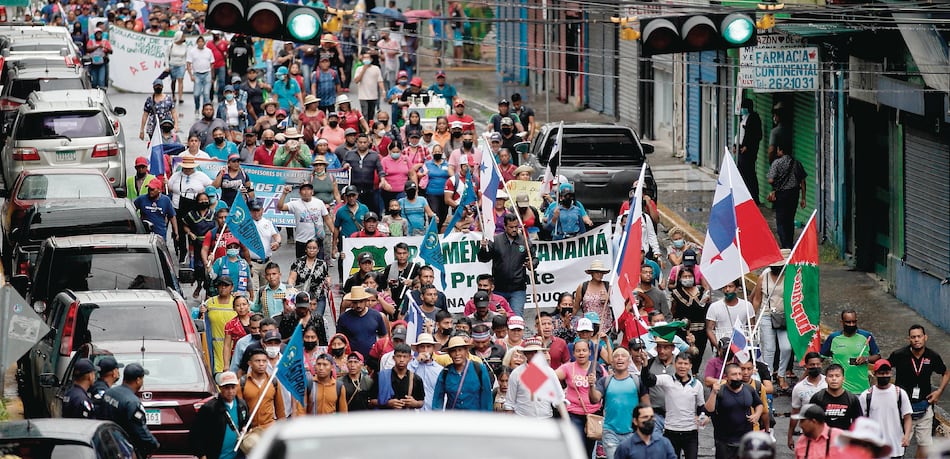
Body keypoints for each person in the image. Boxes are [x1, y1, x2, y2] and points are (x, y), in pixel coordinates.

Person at [888, 324, 949, 458]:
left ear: (925, 337)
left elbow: (946, 373)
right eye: (913, 337)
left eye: (919, 336)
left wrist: (939, 391)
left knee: (924, 445)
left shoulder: (933, 356)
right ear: (909, 339)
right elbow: (884, 370)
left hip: (924, 406)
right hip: (903, 408)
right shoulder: (899, 355)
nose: (916, 340)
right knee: (899, 444)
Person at [589, 348, 648, 459]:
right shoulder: (604, 381)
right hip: (610, 431)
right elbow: (595, 399)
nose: (620, 358)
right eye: (616, 356)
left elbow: (646, 406)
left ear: (629, 361)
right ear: (612, 361)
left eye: (623, 356)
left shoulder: (637, 381)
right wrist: (591, 386)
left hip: (633, 432)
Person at [477, 214, 537, 318]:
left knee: (516, 317)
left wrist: (532, 263)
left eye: (516, 227)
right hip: (498, 289)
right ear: (505, 227)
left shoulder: (524, 241)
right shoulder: (495, 240)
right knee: (497, 318)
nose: (514, 229)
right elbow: (483, 258)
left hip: (518, 289)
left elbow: (534, 258)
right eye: (511, 227)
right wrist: (483, 248)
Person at [753, 249, 794, 391]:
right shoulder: (763, 277)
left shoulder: (791, 276)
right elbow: (757, 299)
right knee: (769, 348)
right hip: (767, 314)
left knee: (786, 347)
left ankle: (781, 374)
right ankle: (767, 376)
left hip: (784, 316)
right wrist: (753, 320)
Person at [556, 338, 604, 456]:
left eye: (584, 350)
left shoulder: (597, 368)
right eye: (578, 351)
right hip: (574, 414)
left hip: (593, 415)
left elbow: (606, 385)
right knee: (577, 446)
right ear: (573, 353)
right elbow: (551, 377)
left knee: (589, 450)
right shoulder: (568, 368)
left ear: (590, 352)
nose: (581, 353)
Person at [705, 363, 763, 459]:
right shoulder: (720, 391)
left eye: (739, 374)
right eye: (734, 374)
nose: (738, 377)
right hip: (725, 441)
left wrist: (757, 414)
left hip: (745, 440)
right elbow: (709, 409)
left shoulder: (749, 389)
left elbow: (759, 404)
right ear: (726, 376)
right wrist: (713, 393)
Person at [100, 364, 160, 457]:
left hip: (106, 445)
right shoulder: (132, 402)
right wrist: (153, 444)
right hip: (123, 449)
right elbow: (139, 430)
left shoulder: (109, 392)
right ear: (138, 380)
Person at [858, 359, 912, 457]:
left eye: (887, 373)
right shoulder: (866, 396)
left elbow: (907, 417)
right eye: (881, 373)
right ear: (875, 374)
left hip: (896, 447)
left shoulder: (900, 393)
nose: (884, 376)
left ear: (891, 373)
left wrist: (907, 436)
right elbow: (861, 420)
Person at [188, 371, 249, 459]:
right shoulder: (209, 408)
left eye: (233, 387)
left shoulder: (242, 405)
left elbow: (247, 424)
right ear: (220, 388)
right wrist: (202, 455)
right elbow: (196, 434)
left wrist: (245, 429)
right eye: (227, 388)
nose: (230, 391)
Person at [820, 309, 881, 394]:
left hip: (861, 389)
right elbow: (820, 359)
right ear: (842, 322)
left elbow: (877, 357)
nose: (851, 325)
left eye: (854, 322)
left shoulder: (866, 336)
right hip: (839, 390)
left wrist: (866, 359)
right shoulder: (833, 338)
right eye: (848, 322)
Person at [432, 336, 493, 411]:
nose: (457, 354)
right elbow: (438, 399)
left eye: (460, 350)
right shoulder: (445, 372)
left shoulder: (479, 369)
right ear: (449, 354)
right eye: (453, 351)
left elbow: (487, 398)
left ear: (466, 351)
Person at [767, 141, 807, 249]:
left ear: (781, 151)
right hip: (794, 194)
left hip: (781, 195)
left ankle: (785, 245)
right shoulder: (796, 163)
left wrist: (776, 186)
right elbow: (802, 181)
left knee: (780, 221)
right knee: (790, 219)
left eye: (778, 149)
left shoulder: (776, 163)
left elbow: (770, 180)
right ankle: (789, 243)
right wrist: (803, 198)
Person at [504, 337, 555, 417]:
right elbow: (509, 402)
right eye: (530, 352)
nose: (534, 355)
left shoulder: (550, 372)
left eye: (537, 352)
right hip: (523, 420)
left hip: (545, 419)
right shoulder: (516, 373)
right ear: (525, 354)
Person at [788, 352, 828, 448]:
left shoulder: (828, 383)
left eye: (818, 364)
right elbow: (795, 411)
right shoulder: (799, 388)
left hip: (827, 433)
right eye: (812, 365)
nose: (815, 367)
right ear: (806, 366)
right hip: (807, 433)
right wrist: (790, 436)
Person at [808, 364, 864, 431]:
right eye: (830, 376)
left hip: (844, 439)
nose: (834, 379)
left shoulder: (852, 399)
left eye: (837, 376)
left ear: (843, 379)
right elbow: (809, 422)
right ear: (825, 379)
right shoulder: (817, 398)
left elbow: (858, 423)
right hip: (822, 439)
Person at [238, 349, 284, 429]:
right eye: (257, 361)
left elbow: (280, 410)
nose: (261, 364)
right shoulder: (242, 382)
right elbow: (238, 409)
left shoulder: (273, 382)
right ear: (250, 363)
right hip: (249, 429)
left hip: (269, 428)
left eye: (264, 361)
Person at [337, 286, 388, 358]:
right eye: (355, 302)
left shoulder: (376, 315)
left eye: (361, 302)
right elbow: (339, 339)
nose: (358, 305)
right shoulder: (344, 318)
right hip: (351, 359)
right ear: (351, 302)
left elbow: (384, 336)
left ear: (365, 301)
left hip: (372, 358)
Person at [370, 343, 425, 410]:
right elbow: (371, 401)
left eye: (405, 356)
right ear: (393, 358)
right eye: (398, 356)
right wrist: (387, 403)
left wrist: (414, 403)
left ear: (410, 358)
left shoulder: (416, 379)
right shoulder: (381, 376)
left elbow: (421, 402)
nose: (401, 360)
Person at [287, 239, 331, 317]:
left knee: (317, 319)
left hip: (318, 298)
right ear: (306, 249)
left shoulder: (322, 264)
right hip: (302, 298)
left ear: (318, 250)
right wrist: (291, 287)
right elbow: (292, 278)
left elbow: (327, 276)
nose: (312, 250)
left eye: (314, 248)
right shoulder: (298, 263)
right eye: (309, 248)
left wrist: (328, 282)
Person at [705, 279, 754, 346]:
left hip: (741, 346)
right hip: (723, 345)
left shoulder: (747, 306)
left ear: (737, 289)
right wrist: (718, 347)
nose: (727, 289)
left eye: (730, 286)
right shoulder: (714, 307)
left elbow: (752, 327)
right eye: (725, 287)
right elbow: (709, 329)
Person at [223, 295, 253, 367]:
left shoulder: (256, 319)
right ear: (234, 308)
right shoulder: (230, 324)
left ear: (248, 305)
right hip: (238, 357)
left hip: (256, 356)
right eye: (238, 305)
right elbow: (227, 345)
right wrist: (226, 365)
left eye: (244, 304)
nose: (241, 308)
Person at [186, 36, 214, 112]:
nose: (201, 43)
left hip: (207, 73)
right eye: (199, 41)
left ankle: (205, 110)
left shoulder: (209, 51)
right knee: (196, 94)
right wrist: (191, 75)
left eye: (202, 41)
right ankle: (197, 107)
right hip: (197, 74)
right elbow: (188, 63)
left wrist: (212, 76)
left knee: (206, 94)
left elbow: (212, 64)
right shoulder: (192, 51)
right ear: (197, 43)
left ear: (204, 43)